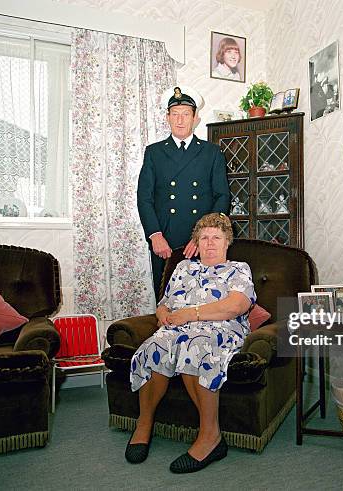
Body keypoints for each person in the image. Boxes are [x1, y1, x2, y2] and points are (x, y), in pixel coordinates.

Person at [125, 213, 255, 473]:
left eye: (216, 237)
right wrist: (162, 314)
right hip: (178, 328)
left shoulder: (238, 269)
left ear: (227, 241)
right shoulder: (184, 267)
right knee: (153, 348)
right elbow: (165, 303)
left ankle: (211, 436)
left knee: (195, 345)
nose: (209, 243)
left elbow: (236, 305)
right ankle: (144, 423)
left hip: (220, 329)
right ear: (196, 241)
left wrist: (191, 314)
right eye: (204, 237)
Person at [137, 87, 230, 299]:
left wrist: (203, 236)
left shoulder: (212, 152)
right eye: (175, 114)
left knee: (206, 299)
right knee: (167, 300)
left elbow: (222, 196)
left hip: (203, 241)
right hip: (165, 242)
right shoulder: (154, 152)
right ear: (167, 117)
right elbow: (144, 198)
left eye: (186, 114)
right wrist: (155, 235)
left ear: (195, 118)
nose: (180, 120)